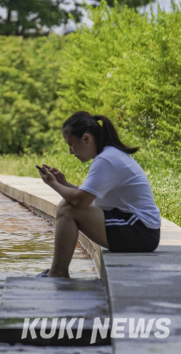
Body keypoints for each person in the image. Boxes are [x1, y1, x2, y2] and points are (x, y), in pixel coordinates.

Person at [37, 111, 161, 278]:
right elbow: (88, 196)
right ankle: (58, 271)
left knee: (67, 208)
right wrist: (64, 184)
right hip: (141, 230)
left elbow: (80, 201)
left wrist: (53, 184)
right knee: (69, 205)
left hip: (141, 232)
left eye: (71, 144)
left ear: (86, 139)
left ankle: (58, 273)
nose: (71, 152)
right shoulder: (109, 155)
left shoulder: (106, 160)